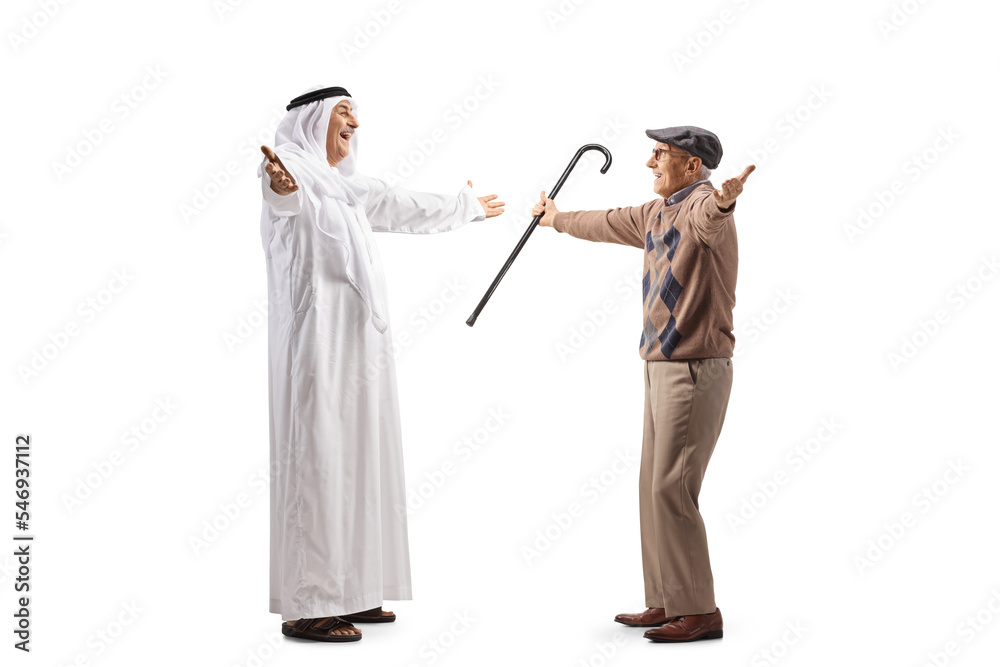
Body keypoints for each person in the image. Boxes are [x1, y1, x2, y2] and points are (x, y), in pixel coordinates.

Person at [258, 85, 504, 643]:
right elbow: (282, 196)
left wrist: (464, 207)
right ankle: (310, 604)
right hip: (315, 344)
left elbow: (396, 202)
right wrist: (279, 186)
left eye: (355, 114)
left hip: (357, 347)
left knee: (361, 459)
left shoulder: (342, 187)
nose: (355, 123)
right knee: (319, 461)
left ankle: (354, 591)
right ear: (312, 121)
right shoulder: (289, 168)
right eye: (343, 113)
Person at [533, 126, 753, 643]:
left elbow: (711, 218)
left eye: (660, 154)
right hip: (659, 364)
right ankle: (666, 599)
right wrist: (556, 219)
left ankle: (699, 611)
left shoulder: (700, 206)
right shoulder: (656, 213)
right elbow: (605, 221)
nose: (650, 162)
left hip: (695, 367)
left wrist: (725, 202)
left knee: (672, 487)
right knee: (652, 485)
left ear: (692, 166)